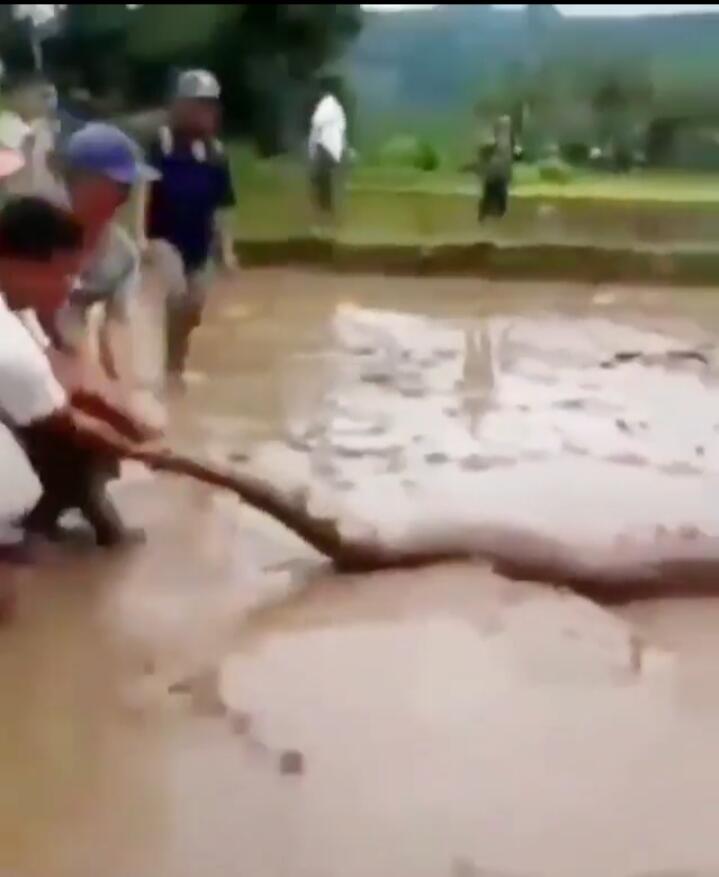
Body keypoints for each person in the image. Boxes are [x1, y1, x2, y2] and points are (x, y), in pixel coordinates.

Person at [0, 197, 159, 551]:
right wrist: (141, 449)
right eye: (64, 273)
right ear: (17, 263)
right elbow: (65, 421)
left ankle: (42, 519)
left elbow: (60, 371)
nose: (73, 287)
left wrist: (128, 419)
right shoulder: (7, 346)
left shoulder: (15, 307)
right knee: (82, 449)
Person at [135, 69, 237, 384]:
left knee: (193, 308)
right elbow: (143, 188)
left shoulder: (216, 153)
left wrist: (227, 250)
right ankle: (157, 365)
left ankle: (174, 366)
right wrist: (139, 234)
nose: (204, 112)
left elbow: (222, 207)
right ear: (180, 106)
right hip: (163, 237)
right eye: (197, 105)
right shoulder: (161, 143)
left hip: (200, 243)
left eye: (209, 106)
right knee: (177, 295)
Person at [45, 122, 159, 387]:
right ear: (81, 182)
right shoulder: (34, 231)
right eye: (119, 185)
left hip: (66, 347)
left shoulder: (122, 255)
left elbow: (116, 328)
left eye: (129, 186)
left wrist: (123, 390)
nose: (127, 196)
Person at [308, 77, 347, 222]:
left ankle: (325, 212)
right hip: (329, 148)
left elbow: (317, 121)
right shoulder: (335, 106)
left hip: (327, 147)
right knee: (323, 180)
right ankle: (325, 211)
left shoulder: (328, 104)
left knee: (320, 179)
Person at [479, 115, 513, 222]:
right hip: (495, 172)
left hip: (499, 172)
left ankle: (490, 215)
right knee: (493, 193)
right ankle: (487, 214)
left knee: (497, 193)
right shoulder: (497, 139)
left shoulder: (506, 140)